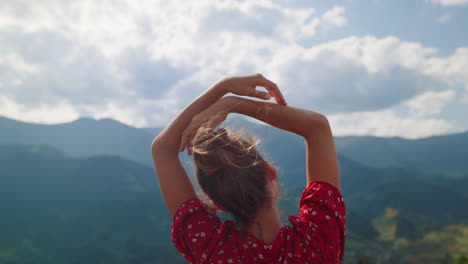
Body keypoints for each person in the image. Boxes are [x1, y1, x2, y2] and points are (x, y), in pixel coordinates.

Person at [152, 74, 346, 264]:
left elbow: (162, 149)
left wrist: (222, 87)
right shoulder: (318, 241)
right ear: (269, 171)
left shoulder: (209, 247)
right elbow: (317, 126)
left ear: (219, 205)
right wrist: (231, 103)